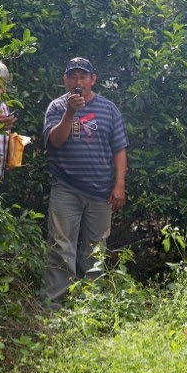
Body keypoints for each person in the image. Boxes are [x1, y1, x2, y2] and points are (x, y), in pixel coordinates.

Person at [42, 57, 129, 305]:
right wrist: (71, 112)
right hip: (66, 189)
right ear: (66, 80)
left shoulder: (109, 109)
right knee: (61, 247)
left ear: (93, 79)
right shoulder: (57, 107)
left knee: (95, 249)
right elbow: (56, 141)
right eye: (73, 76)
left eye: (83, 76)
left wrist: (119, 185)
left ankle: (90, 306)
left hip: (101, 191)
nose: (78, 81)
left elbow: (119, 149)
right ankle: (54, 307)